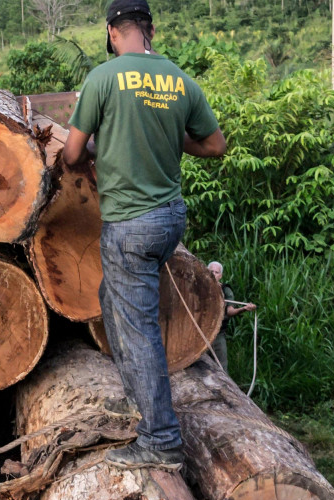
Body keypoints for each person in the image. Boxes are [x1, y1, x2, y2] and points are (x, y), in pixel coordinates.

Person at [63, 0, 227, 472]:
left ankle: (160, 440)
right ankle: (141, 404)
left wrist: (99, 142)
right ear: (149, 31)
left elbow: (73, 154)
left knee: (138, 334)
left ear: (113, 33)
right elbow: (215, 146)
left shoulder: (104, 77)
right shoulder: (179, 79)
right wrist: (173, 136)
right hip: (170, 216)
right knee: (112, 302)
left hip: (130, 224)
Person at [207, 261, 256, 372]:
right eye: (211, 271)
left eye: (216, 272)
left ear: (221, 275)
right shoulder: (198, 288)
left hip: (217, 333)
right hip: (199, 333)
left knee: (222, 369)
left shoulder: (226, 290)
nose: (214, 274)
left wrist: (243, 309)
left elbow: (230, 311)